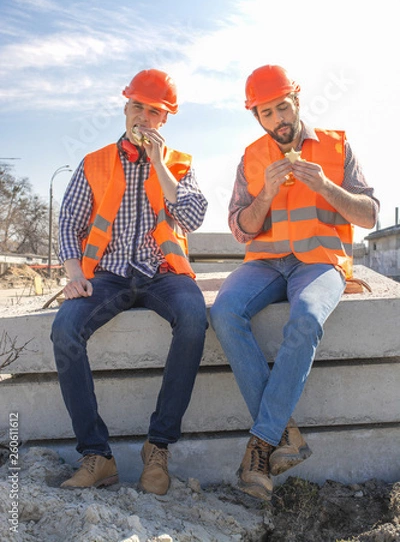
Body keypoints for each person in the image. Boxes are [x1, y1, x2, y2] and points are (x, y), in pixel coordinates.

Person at [210, 64, 379, 501]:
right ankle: (284, 435)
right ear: (257, 117)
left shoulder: (336, 146)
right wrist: (264, 195)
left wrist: (325, 186)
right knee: (225, 311)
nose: (277, 120)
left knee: (305, 317)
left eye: (282, 108)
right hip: (265, 263)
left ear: (297, 101)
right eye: (266, 113)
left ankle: (261, 445)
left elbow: (369, 215)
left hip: (319, 261)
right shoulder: (251, 157)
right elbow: (241, 229)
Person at [51, 68, 208, 495]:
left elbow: (193, 216)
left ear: (165, 119)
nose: (143, 117)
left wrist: (158, 163)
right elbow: (69, 222)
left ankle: (157, 449)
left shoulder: (178, 164)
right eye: (137, 106)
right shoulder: (95, 162)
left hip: (163, 274)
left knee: (195, 318)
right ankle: (97, 455)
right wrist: (74, 274)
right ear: (125, 108)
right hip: (108, 276)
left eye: (154, 111)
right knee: (65, 329)